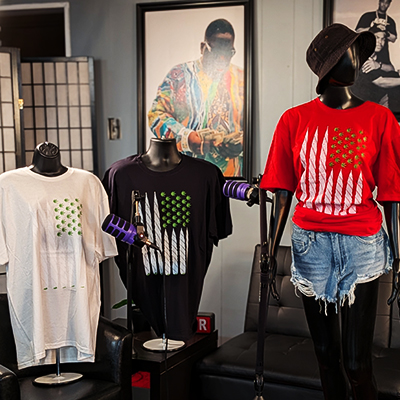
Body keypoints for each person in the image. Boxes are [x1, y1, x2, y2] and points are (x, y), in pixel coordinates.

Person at [259, 23, 400, 400]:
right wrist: (270, 252)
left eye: (356, 51)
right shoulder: (294, 120)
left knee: (357, 363)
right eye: (349, 52)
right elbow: (283, 191)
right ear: (331, 64)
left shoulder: (380, 119)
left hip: (362, 244)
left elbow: (391, 192)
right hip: (312, 247)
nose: (357, 59)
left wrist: (398, 254)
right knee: (325, 356)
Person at [148, 18, 244, 177]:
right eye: (216, 51)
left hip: (230, 180)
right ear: (202, 47)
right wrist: (186, 137)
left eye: (228, 53)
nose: (222, 59)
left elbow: (253, 126)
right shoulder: (179, 76)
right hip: (185, 176)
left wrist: (242, 143)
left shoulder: (242, 79)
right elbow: (156, 115)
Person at [355, 0, 397, 65]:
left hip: (383, 53)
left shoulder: (391, 21)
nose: (384, 4)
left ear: (389, 4)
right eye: (383, 1)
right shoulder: (367, 16)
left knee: (390, 69)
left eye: (387, 3)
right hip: (367, 50)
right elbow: (358, 31)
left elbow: (394, 38)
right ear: (379, 2)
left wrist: (386, 31)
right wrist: (372, 28)